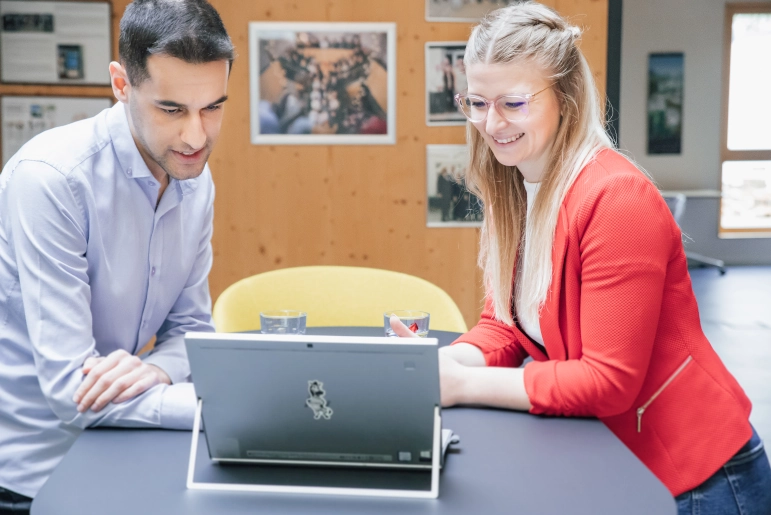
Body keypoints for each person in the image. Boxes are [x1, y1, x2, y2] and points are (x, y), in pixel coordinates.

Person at [391, 2, 771, 513]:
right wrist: (443, 362)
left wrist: (461, 384)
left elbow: (608, 381)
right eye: (477, 102)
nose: (490, 122)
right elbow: (505, 324)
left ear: (565, 97)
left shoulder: (617, 200)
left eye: (513, 103)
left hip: (700, 479)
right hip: (618, 461)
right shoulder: (518, 183)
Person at [0, 0, 233, 511]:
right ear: (121, 84)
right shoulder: (52, 180)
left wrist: (157, 370)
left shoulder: (193, 175)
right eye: (172, 109)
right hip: (33, 478)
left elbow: (191, 329)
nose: (196, 136)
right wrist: (220, 407)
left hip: (129, 449)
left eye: (213, 107)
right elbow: (71, 390)